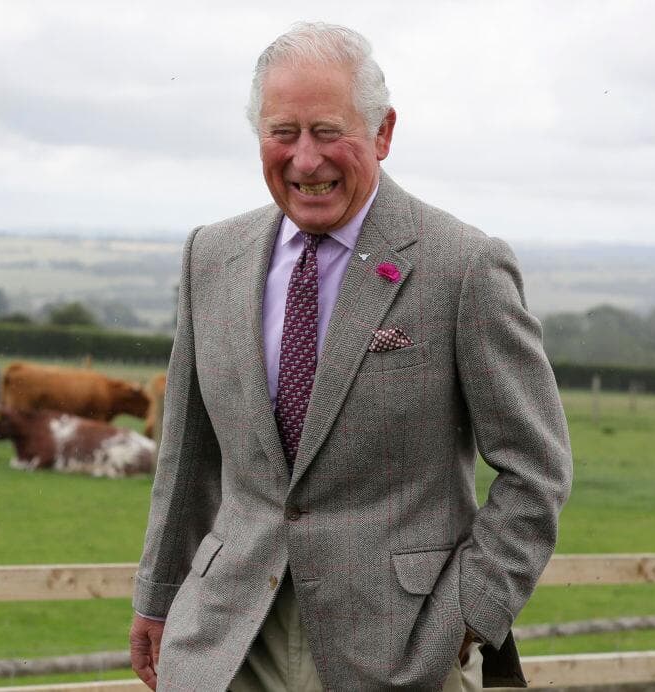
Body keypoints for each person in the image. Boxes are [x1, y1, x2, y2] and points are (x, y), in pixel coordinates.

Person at [130, 22, 572, 691]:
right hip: (223, 643)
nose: (305, 160)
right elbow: (187, 452)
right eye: (283, 133)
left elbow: (536, 471)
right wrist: (158, 595)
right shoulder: (210, 256)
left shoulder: (462, 266)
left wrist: (466, 614)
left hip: (400, 651)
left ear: (383, 132)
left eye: (327, 131)